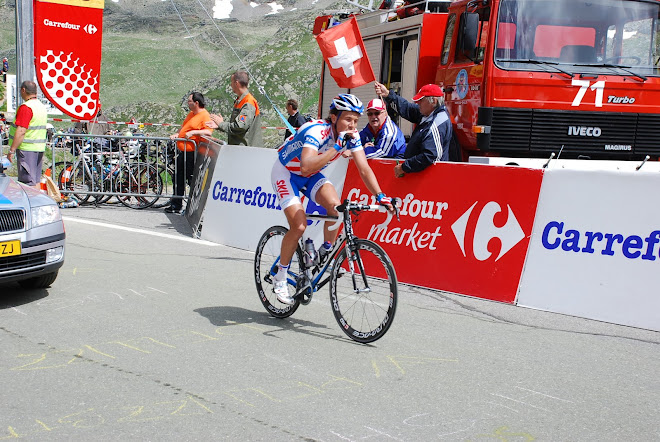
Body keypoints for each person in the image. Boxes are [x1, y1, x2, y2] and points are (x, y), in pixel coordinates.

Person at [271, 93, 394, 305]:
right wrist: (337, 147)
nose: (352, 125)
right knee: (299, 226)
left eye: (356, 121)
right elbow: (306, 165)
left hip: (310, 176)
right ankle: (280, 277)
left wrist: (381, 196)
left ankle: (325, 250)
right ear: (334, 117)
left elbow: (364, 169)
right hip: (286, 173)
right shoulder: (316, 130)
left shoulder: (351, 136)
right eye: (348, 119)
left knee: (336, 209)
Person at [374, 81, 451, 177]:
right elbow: (407, 108)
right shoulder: (429, 113)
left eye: (421, 100)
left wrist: (405, 167)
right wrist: (388, 95)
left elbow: (430, 156)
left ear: (434, 101)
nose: (417, 103)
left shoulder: (436, 123)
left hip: (429, 178)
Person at [166, 92, 212, 214]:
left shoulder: (204, 115)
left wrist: (194, 133)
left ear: (196, 103)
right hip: (184, 151)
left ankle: (194, 208)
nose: (188, 103)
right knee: (178, 177)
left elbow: (208, 132)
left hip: (193, 153)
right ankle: (176, 204)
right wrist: (178, 134)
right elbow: (184, 127)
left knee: (191, 180)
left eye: (189, 101)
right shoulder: (191, 114)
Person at [6, 81, 48, 188]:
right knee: (35, 180)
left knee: (28, 183)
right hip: (39, 148)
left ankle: (30, 204)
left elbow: (21, 131)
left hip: (26, 149)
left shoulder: (26, 107)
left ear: (23, 90)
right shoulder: (41, 107)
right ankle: (37, 203)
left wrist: (12, 150)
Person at [206, 70, 263, 147]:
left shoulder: (248, 102)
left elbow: (239, 126)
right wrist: (219, 126)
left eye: (231, 82)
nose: (230, 84)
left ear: (236, 83)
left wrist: (221, 124)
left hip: (245, 150)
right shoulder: (241, 100)